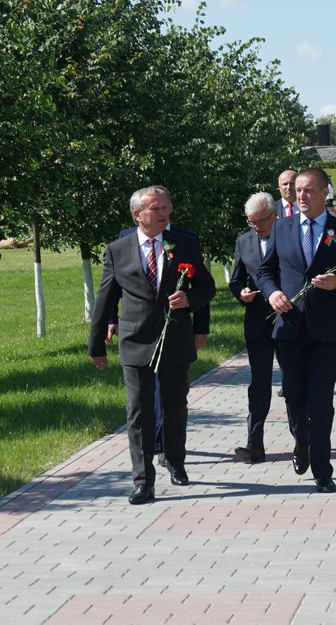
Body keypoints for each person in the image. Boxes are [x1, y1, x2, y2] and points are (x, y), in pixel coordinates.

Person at [88, 186, 216, 505]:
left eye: (166, 208)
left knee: (175, 406)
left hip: (174, 337)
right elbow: (105, 299)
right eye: (155, 209)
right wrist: (96, 346)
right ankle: (143, 481)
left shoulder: (184, 244)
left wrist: (190, 300)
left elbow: (207, 286)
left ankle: (175, 460)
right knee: (139, 413)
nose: (163, 214)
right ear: (137, 215)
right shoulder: (118, 250)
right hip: (135, 341)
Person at [257, 167, 336, 494]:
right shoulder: (281, 228)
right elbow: (265, 272)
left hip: (327, 330)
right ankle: (301, 441)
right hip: (289, 327)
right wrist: (272, 293)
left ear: (325, 192)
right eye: (297, 190)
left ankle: (323, 470)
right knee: (293, 397)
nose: (301, 195)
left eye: (308, 190)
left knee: (321, 402)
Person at [229, 192, 281, 464]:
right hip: (257, 322)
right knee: (259, 384)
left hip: (287, 320)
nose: (257, 227)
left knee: (294, 385)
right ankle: (255, 444)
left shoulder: (288, 234)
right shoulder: (244, 240)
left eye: (261, 221)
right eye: (252, 222)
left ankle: (304, 442)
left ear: (274, 215)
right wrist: (242, 292)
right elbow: (236, 279)